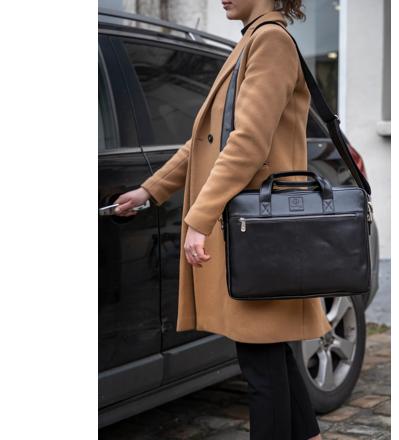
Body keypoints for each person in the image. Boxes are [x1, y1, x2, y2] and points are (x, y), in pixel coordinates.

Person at [114, 1, 332, 438]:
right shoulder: (254, 40)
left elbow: (247, 144)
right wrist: (151, 189)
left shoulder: (269, 42)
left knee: (262, 366)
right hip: (254, 229)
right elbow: (207, 143)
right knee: (270, 355)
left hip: (259, 232)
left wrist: (199, 219)